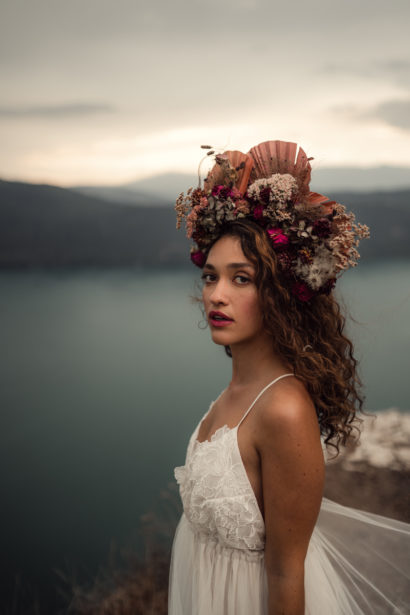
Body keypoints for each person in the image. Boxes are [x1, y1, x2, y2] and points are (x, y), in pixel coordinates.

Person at [168, 140, 410, 614]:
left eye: (241, 278)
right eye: (210, 276)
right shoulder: (235, 391)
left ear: (278, 290)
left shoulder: (283, 408)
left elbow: (284, 574)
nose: (216, 295)